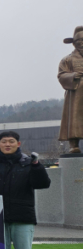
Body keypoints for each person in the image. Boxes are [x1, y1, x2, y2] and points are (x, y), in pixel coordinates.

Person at [58, 25, 83, 153]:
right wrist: (73, 76)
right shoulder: (67, 59)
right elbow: (61, 75)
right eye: (79, 41)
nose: (82, 43)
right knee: (74, 118)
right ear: (74, 43)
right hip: (76, 93)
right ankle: (74, 144)